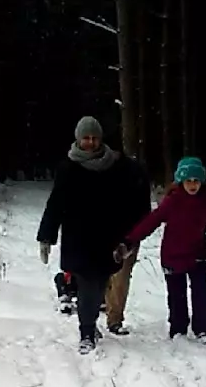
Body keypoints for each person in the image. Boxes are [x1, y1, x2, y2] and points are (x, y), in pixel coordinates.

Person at [117, 156, 206, 344]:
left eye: (196, 181)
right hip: (172, 255)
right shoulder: (172, 201)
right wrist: (129, 241)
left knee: (201, 293)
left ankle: (203, 331)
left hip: (197, 254)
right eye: (188, 181)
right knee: (177, 296)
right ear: (180, 182)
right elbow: (150, 223)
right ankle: (178, 330)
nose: (192, 185)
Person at [37, 116, 150, 353]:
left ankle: (89, 321)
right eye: (86, 138)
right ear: (78, 139)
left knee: (99, 283)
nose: (90, 142)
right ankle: (86, 332)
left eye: (94, 137)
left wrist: (131, 233)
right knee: (88, 283)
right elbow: (56, 203)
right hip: (78, 236)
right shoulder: (68, 167)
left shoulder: (116, 165)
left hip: (107, 235)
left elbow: (133, 194)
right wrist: (46, 235)